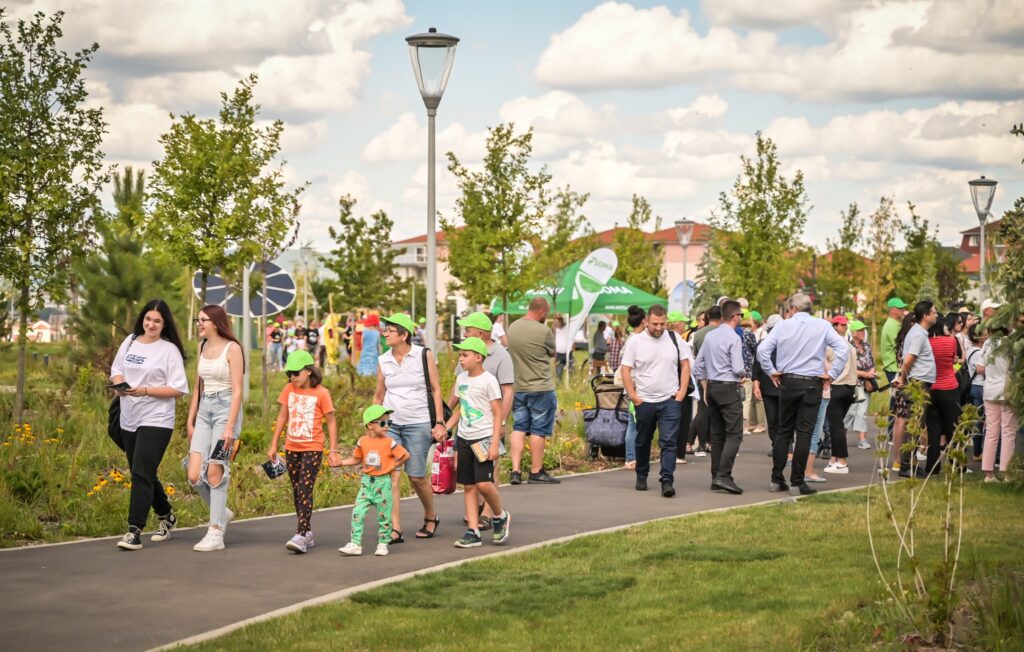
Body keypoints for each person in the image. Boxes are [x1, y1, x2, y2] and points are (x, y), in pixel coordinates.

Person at [110, 299, 190, 550]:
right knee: (141, 470)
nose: (151, 324)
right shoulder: (130, 340)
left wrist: (144, 390)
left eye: (157, 320)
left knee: (141, 473)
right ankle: (167, 516)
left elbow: (178, 388)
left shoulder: (169, 350)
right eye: (148, 318)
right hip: (128, 415)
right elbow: (117, 369)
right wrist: (121, 385)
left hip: (157, 418)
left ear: (164, 324)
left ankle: (134, 530)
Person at [758, 293, 849, 495]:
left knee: (784, 431)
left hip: (788, 381)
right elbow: (843, 348)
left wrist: (771, 370)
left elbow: (762, 350)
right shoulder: (823, 326)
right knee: (805, 433)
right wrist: (832, 374)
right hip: (811, 383)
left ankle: (776, 478)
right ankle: (797, 481)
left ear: (793, 308)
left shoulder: (783, 325)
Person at [374, 313, 447, 542]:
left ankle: (430, 516)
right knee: (392, 475)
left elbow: (436, 389)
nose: (385, 333)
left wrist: (439, 422)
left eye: (390, 330)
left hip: (418, 422)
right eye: (384, 329)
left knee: (416, 476)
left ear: (404, 334)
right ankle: (395, 529)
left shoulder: (423, 355)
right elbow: (379, 395)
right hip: (391, 424)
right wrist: (373, 422)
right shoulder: (383, 360)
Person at [185, 305, 245, 552]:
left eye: (202, 320)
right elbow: (198, 388)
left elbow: (239, 390)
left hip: (226, 410)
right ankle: (222, 512)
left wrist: (230, 427)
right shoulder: (201, 347)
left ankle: (215, 532)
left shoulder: (233, 349)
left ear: (216, 322)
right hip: (204, 411)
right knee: (193, 473)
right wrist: (190, 420)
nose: (198, 324)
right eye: (197, 320)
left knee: (214, 472)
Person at [267, 350, 340, 553]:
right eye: (289, 373)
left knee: (305, 488)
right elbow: (282, 417)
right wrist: (274, 445)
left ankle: (300, 534)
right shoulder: (289, 389)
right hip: (292, 447)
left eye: (295, 373)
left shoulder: (322, 393)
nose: (292, 377)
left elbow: (332, 421)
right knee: (296, 489)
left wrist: (333, 450)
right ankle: (307, 533)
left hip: (313, 447)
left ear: (308, 371)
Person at [447, 312, 515, 528]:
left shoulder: (501, 356)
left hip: (487, 427)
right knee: (465, 473)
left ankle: (490, 513)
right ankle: (475, 513)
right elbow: (460, 393)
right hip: (466, 425)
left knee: (487, 474)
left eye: (467, 329)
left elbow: (508, 392)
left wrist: (501, 424)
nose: (464, 333)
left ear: (480, 333)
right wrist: (445, 415)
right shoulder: (465, 358)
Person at [620, 304, 688, 497]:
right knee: (642, 441)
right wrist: (633, 396)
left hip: (670, 401)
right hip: (645, 401)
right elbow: (625, 369)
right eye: (655, 324)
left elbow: (685, 365)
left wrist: (681, 393)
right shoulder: (636, 342)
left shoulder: (675, 339)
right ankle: (641, 474)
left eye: (662, 323)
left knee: (669, 442)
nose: (659, 328)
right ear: (646, 322)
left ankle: (667, 480)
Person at [337, 406, 410, 557]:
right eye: (383, 423)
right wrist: (341, 463)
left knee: (384, 515)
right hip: (366, 483)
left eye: (389, 423)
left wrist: (392, 466)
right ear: (370, 425)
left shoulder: (389, 442)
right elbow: (356, 459)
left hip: (383, 483)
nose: (387, 427)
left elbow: (405, 455)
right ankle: (355, 543)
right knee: (358, 512)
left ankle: (383, 543)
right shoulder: (362, 441)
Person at [693, 300, 746, 494]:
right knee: (734, 433)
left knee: (717, 435)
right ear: (735, 316)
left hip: (713, 386)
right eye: (740, 315)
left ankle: (716, 476)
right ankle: (724, 475)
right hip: (727, 387)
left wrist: (705, 386)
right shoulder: (734, 338)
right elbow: (738, 367)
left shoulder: (710, 336)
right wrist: (744, 374)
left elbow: (698, 365)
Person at [507, 298, 561, 485]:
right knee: (539, 429)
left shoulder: (512, 327)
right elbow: (552, 353)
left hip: (518, 386)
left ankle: (515, 470)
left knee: (519, 427)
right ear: (542, 312)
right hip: (540, 387)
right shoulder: (543, 330)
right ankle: (536, 471)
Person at [891, 301, 939, 478]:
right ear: (925, 315)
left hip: (918, 382)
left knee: (916, 427)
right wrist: (902, 377)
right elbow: (909, 359)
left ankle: (909, 463)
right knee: (914, 428)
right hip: (918, 385)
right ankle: (906, 466)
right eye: (933, 312)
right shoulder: (918, 334)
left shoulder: (918, 333)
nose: (936, 315)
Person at [977, 328, 1016, 482]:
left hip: (989, 390)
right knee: (1008, 432)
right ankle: (1007, 473)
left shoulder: (987, 343)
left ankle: (988, 473)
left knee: (991, 431)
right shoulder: (1011, 343)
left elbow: (980, 368)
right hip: (1007, 389)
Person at [925, 314, 962, 474]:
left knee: (933, 430)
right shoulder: (951, 341)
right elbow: (954, 360)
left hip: (932, 388)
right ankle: (956, 465)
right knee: (952, 428)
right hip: (949, 387)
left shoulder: (927, 343)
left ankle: (932, 467)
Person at [823, 315, 858, 475]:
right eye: (842, 325)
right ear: (835, 326)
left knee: (835, 426)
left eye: (845, 325)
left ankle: (842, 461)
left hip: (836, 387)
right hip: (850, 388)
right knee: (837, 425)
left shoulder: (830, 346)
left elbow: (825, 366)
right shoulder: (850, 346)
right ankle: (834, 458)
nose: (844, 327)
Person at [620, 305, 646, 469]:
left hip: (632, 386)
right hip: (635, 386)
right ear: (644, 321)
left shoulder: (631, 338)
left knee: (633, 423)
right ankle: (631, 458)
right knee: (634, 424)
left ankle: (632, 457)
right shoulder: (636, 340)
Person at [752, 314, 783, 452]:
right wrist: (756, 384)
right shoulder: (762, 344)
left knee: (785, 418)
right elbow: (756, 366)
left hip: (786, 386)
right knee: (772, 419)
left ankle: (786, 446)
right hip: (767, 386)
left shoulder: (789, 345)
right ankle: (776, 445)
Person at [845, 321, 876, 450]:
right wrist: (864, 373)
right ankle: (839, 438)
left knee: (862, 412)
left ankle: (862, 440)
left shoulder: (867, 346)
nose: (863, 332)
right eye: (860, 330)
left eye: (864, 330)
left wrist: (872, 371)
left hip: (866, 385)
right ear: (853, 333)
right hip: (852, 384)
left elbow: (872, 362)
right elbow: (847, 368)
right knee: (850, 412)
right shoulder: (847, 347)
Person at [964, 324, 987, 460]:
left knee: (975, 419)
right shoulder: (979, 352)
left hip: (972, 386)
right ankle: (977, 452)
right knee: (979, 421)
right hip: (980, 386)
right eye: (984, 333)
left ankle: (976, 449)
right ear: (979, 337)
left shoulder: (969, 350)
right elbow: (980, 369)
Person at [552, 315, 570, 381]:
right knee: (559, 372)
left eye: (558, 322)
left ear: (561, 322)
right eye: (555, 322)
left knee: (571, 370)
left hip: (568, 353)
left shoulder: (567, 328)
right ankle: (559, 384)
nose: (556, 324)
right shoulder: (555, 330)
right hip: (559, 354)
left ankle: (570, 383)